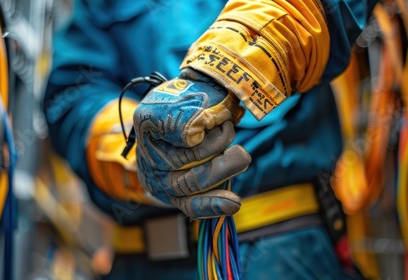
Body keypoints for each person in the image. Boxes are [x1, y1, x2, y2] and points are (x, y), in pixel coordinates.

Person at [44, 0, 378, 279]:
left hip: (277, 251)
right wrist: (135, 154)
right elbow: (73, 95)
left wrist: (222, 73)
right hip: (138, 260)